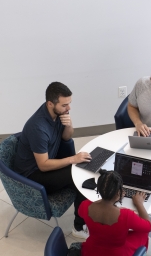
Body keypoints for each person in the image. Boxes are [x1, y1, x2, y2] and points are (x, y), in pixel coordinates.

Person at [13, 82, 92, 240]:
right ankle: (78, 227)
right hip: (32, 176)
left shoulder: (57, 114)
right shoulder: (38, 127)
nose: (68, 108)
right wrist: (73, 159)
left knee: (83, 171)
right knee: (80, 175)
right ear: (50, 103)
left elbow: (66, 137)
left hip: (46, 164)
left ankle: (89, 214)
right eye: (65, 105)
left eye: (69, 103)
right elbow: (43, 165)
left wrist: (69, 125)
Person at [77, 170, 151, 256]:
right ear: (118, 193)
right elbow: (148, 226)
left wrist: (111, 197)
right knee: (143, 233)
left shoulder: (85, 205)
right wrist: (139, 203)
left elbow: (81, 213)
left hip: (93, 253)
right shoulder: (126, 215)